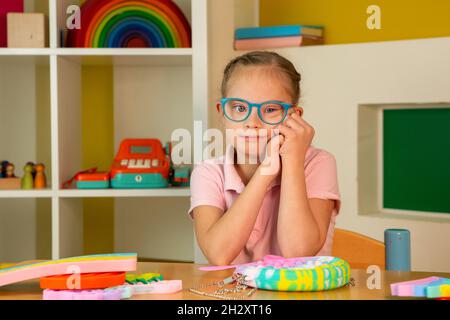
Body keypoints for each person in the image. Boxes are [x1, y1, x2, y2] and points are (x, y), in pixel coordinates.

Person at [189, 51, 340, 265]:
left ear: (294, 117)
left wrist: (293, 161)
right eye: (240, 108)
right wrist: (266, 171)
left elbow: (298, 253)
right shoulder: (208, 173)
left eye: (269, 109)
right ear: (222, 112)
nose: (252, 122)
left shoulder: (318, 163)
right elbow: (219, 254)